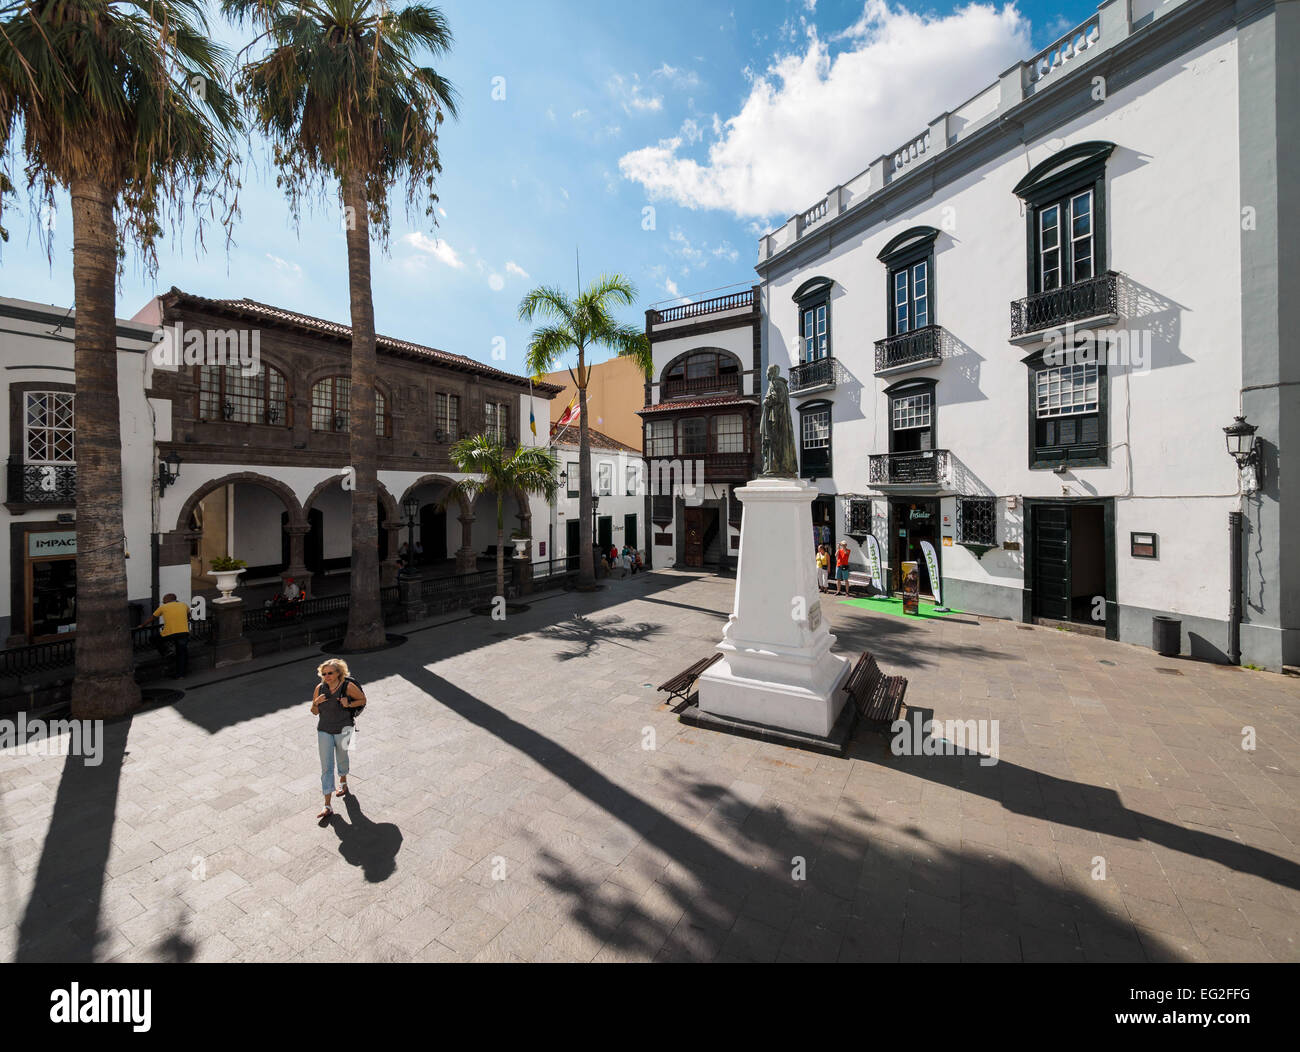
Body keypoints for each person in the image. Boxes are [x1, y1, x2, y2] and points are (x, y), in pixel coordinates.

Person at [310, 658, 367, 819]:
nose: (326, 676)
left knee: (342, 757)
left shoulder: (347, 686)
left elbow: (362, 700)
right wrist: (316, 702)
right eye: (324, 673)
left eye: (330, 673)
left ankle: (343, 781)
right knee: (326, 767)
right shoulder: (319, 688)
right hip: (324, 731)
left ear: (338, 673)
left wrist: (348, 702)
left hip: (345, 729)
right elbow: (314, 711)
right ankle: (327, 805)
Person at [144, 593, 190, 678]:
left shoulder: (163, 607)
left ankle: (166, 651)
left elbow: (152, 618)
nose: (163, 601)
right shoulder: (184, 605)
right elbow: (188, 615)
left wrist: (142, 625)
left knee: (153, 639)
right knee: (182, 653)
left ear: (168, 599)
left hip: (170, 633)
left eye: (164, 600)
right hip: (183, 632)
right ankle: (181, 675)